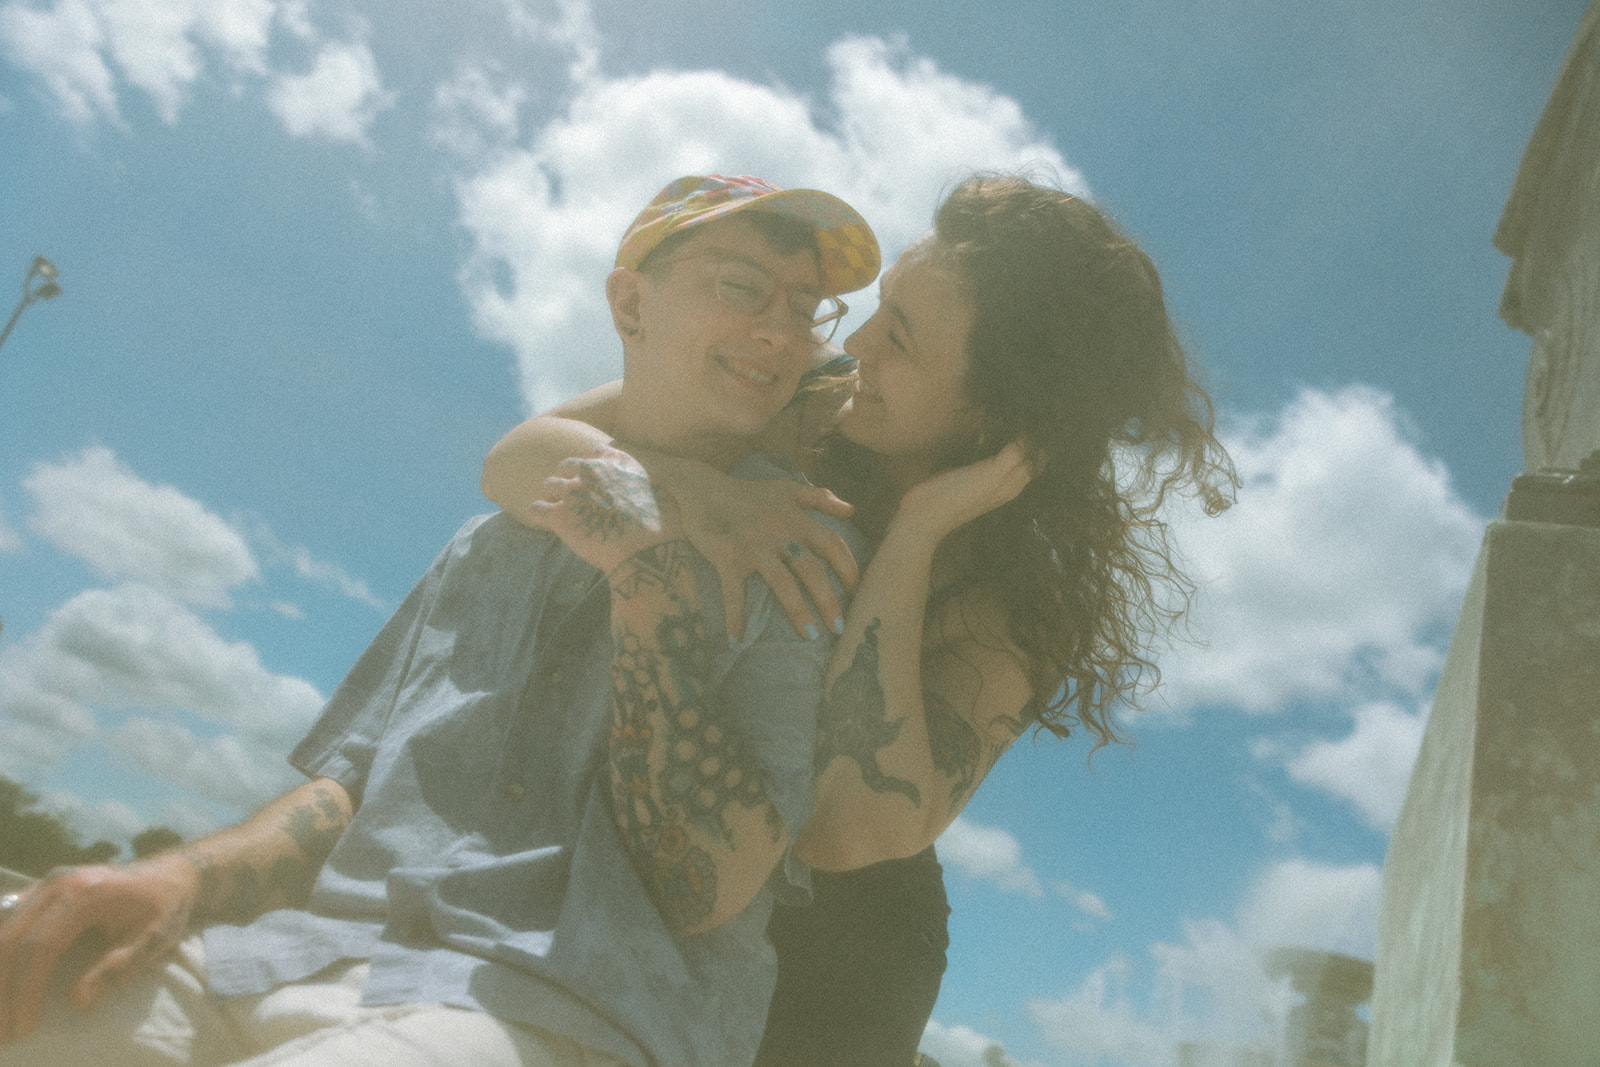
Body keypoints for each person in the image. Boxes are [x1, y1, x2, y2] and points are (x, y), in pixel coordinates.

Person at [0, 173, 882, 1067]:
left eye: (807, 306)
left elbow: (711, 884)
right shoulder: (487, 544)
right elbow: (350, 784)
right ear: (630, 302)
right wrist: (179, 873)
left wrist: (645, 573)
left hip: (569, 1009)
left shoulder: (797, 555)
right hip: (300, 960)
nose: (782, 327)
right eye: (742, 286)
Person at [482, 173, 1238, 1065]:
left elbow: (842, 829)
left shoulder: (1015, 608)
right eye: (879, 310)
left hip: (837, 955)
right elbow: (516, 461)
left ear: (990, 409)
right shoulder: (813, 394)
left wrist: (915, 533)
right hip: (662, 841)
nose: (856, 342)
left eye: (903, 340)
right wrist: (700, 495)